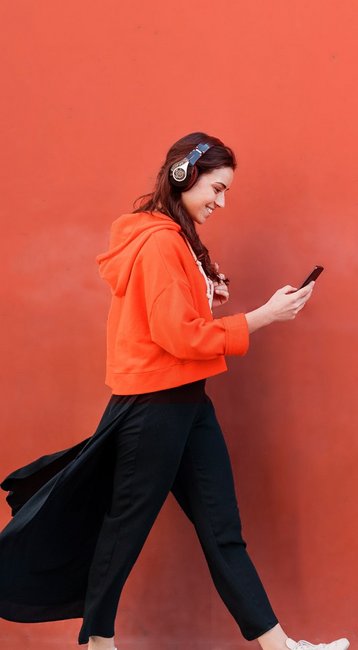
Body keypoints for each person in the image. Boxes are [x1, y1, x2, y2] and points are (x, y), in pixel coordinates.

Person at [0, 132, 349, 650]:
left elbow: (175, 322)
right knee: (124, 529)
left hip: (187, 403)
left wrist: (207, 289)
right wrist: (263, 317)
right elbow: (179, 336)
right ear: (184, 176)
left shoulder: (175, 240)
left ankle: (282, 648)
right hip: (154, 409)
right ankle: (99, 644)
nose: (221, 201)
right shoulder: (163, 241)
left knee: (221, 531)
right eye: (218, 187)